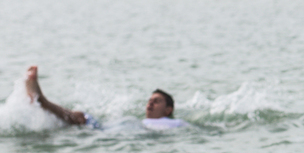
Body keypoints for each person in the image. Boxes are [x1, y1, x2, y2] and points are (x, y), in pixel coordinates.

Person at [25, 66, 187, 129]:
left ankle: (40, 102)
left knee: (76, 120)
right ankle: (41, 101)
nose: (150, 103)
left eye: (156, 101)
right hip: (104, 128)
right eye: (149, 100)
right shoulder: (143, 122)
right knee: (79, 117)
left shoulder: (176, 124)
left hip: (104, 134)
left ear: (168, 109)